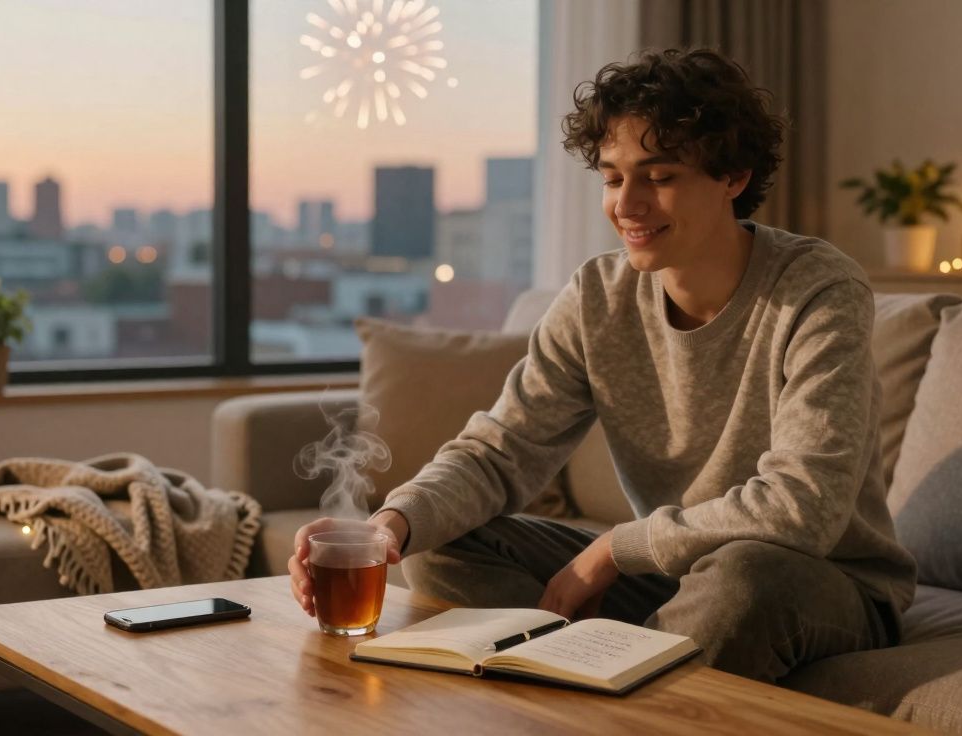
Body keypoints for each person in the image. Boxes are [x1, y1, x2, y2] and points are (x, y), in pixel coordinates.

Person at [287, 47, 916, 683]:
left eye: (660, 176)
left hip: (819, 580)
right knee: (446, 539)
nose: (628, 205)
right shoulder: (597, 296)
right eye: (614, 178)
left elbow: (803, 507)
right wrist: (392, 523)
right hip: (672, 578)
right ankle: (582, 675)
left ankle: (600, 688)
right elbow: (500, 451)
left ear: (733, 176)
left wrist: (617, 548)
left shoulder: (818, 290)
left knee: (742, 577)